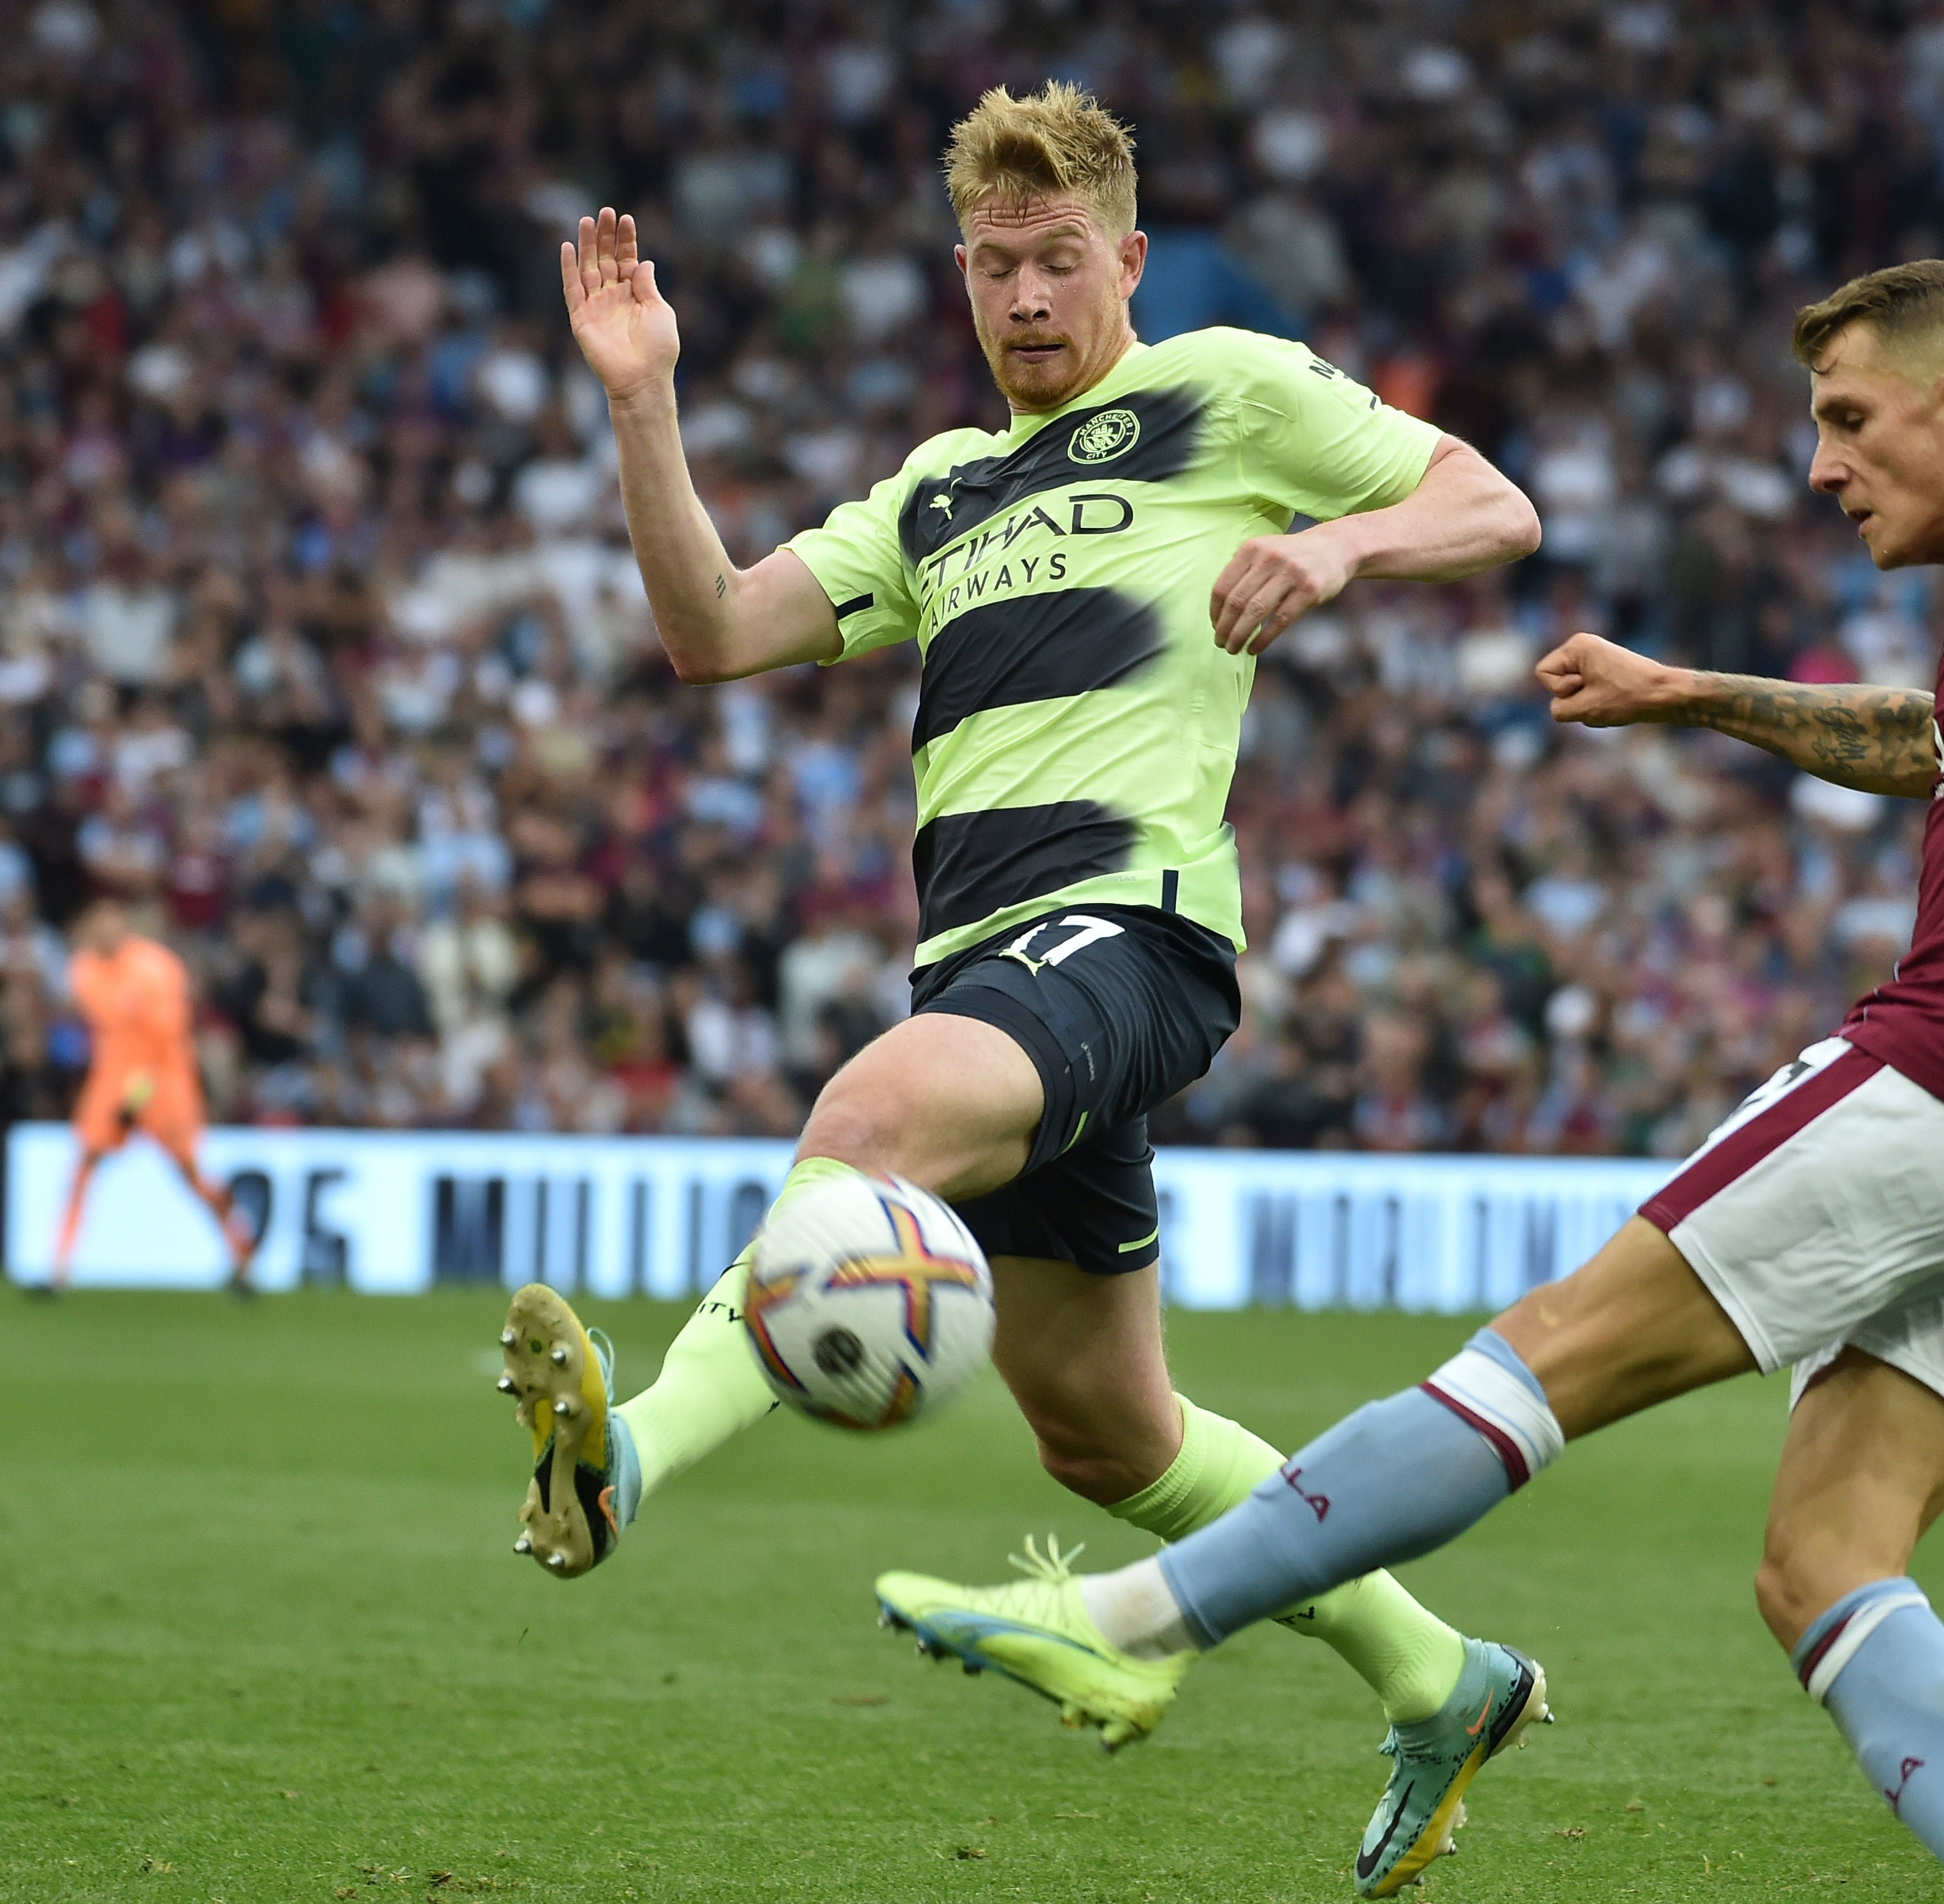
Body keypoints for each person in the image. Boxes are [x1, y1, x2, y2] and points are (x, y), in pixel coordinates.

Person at [882, 261, 1944, 1903]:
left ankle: (1132, 1623)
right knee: (1824, 1564)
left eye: (1850, 420)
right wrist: (1690, 694)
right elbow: (1942, 745)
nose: (1823, 465)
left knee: (1547, 1351)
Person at [496, 74, 1539, 1867]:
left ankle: (627, 1465)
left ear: (1125, 260)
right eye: (995, 268)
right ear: (962, 284)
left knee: (866, 1121)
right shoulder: (936, 493)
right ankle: (1444, 1678)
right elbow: (710, 628)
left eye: (1059, 260)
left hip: (1130, 932)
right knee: (1107, 1437)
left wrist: (1338, 542)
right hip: (991, 969)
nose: (1029, 298)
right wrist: (643, 397)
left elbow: (1490, 504)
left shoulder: (1223, 388)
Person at [51, 901, 253, 1294]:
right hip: (110, 1082)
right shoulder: (84, 971)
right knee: (83, 1166)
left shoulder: (156, 969)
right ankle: (59, 1268)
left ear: (124, 928)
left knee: (192, 1175)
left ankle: (242, 1252)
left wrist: (136, 1098)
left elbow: (164, 1044)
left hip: (165, 1084)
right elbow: (91, 1026)